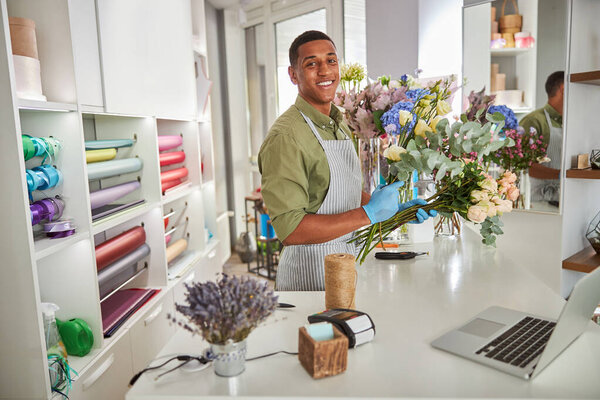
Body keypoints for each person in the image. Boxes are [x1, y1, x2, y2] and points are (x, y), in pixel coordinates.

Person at [258, 30, 436, 291]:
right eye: (311, 63)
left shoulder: (337, 123)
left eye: (331, 61)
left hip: (346, 264)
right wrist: (369, 213)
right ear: (293, 75)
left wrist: (395, 213)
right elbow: (291, 229)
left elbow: (340, 192)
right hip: (310, 277)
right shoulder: (286, 136)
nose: (324, 71)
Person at [519, 71, 564, 205]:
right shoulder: (533, 121)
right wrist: (562, 175)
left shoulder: (570, 121)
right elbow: (527, 166)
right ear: (563, 89)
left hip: (562, 200)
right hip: (539, 202)